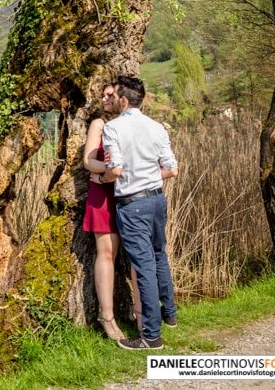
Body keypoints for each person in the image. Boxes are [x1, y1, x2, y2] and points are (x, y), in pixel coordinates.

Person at [101, 75, 179, 350]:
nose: (111, 100)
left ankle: (151, 336)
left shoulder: (112, 128)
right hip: (157, 199)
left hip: (132, 204)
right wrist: (148, 175)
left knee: (144, 266)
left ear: (123, 100)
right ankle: (170, 314)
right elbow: (172, 169)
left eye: (114, 96)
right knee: (159, 255)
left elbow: (116, 169)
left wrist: (103, 179)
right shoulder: (157, 127)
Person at [82, 84, 126, 341]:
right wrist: (111, 170)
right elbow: (88, 161)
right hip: (103, 192)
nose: (105, 98)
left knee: (136, 253)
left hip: (130, 191)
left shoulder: (130, 123)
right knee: (107, 252)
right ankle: (106, 316)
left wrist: (121, 170)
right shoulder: (99, 124)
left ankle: (143, 313)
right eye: (102, 95)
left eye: (110, 94)